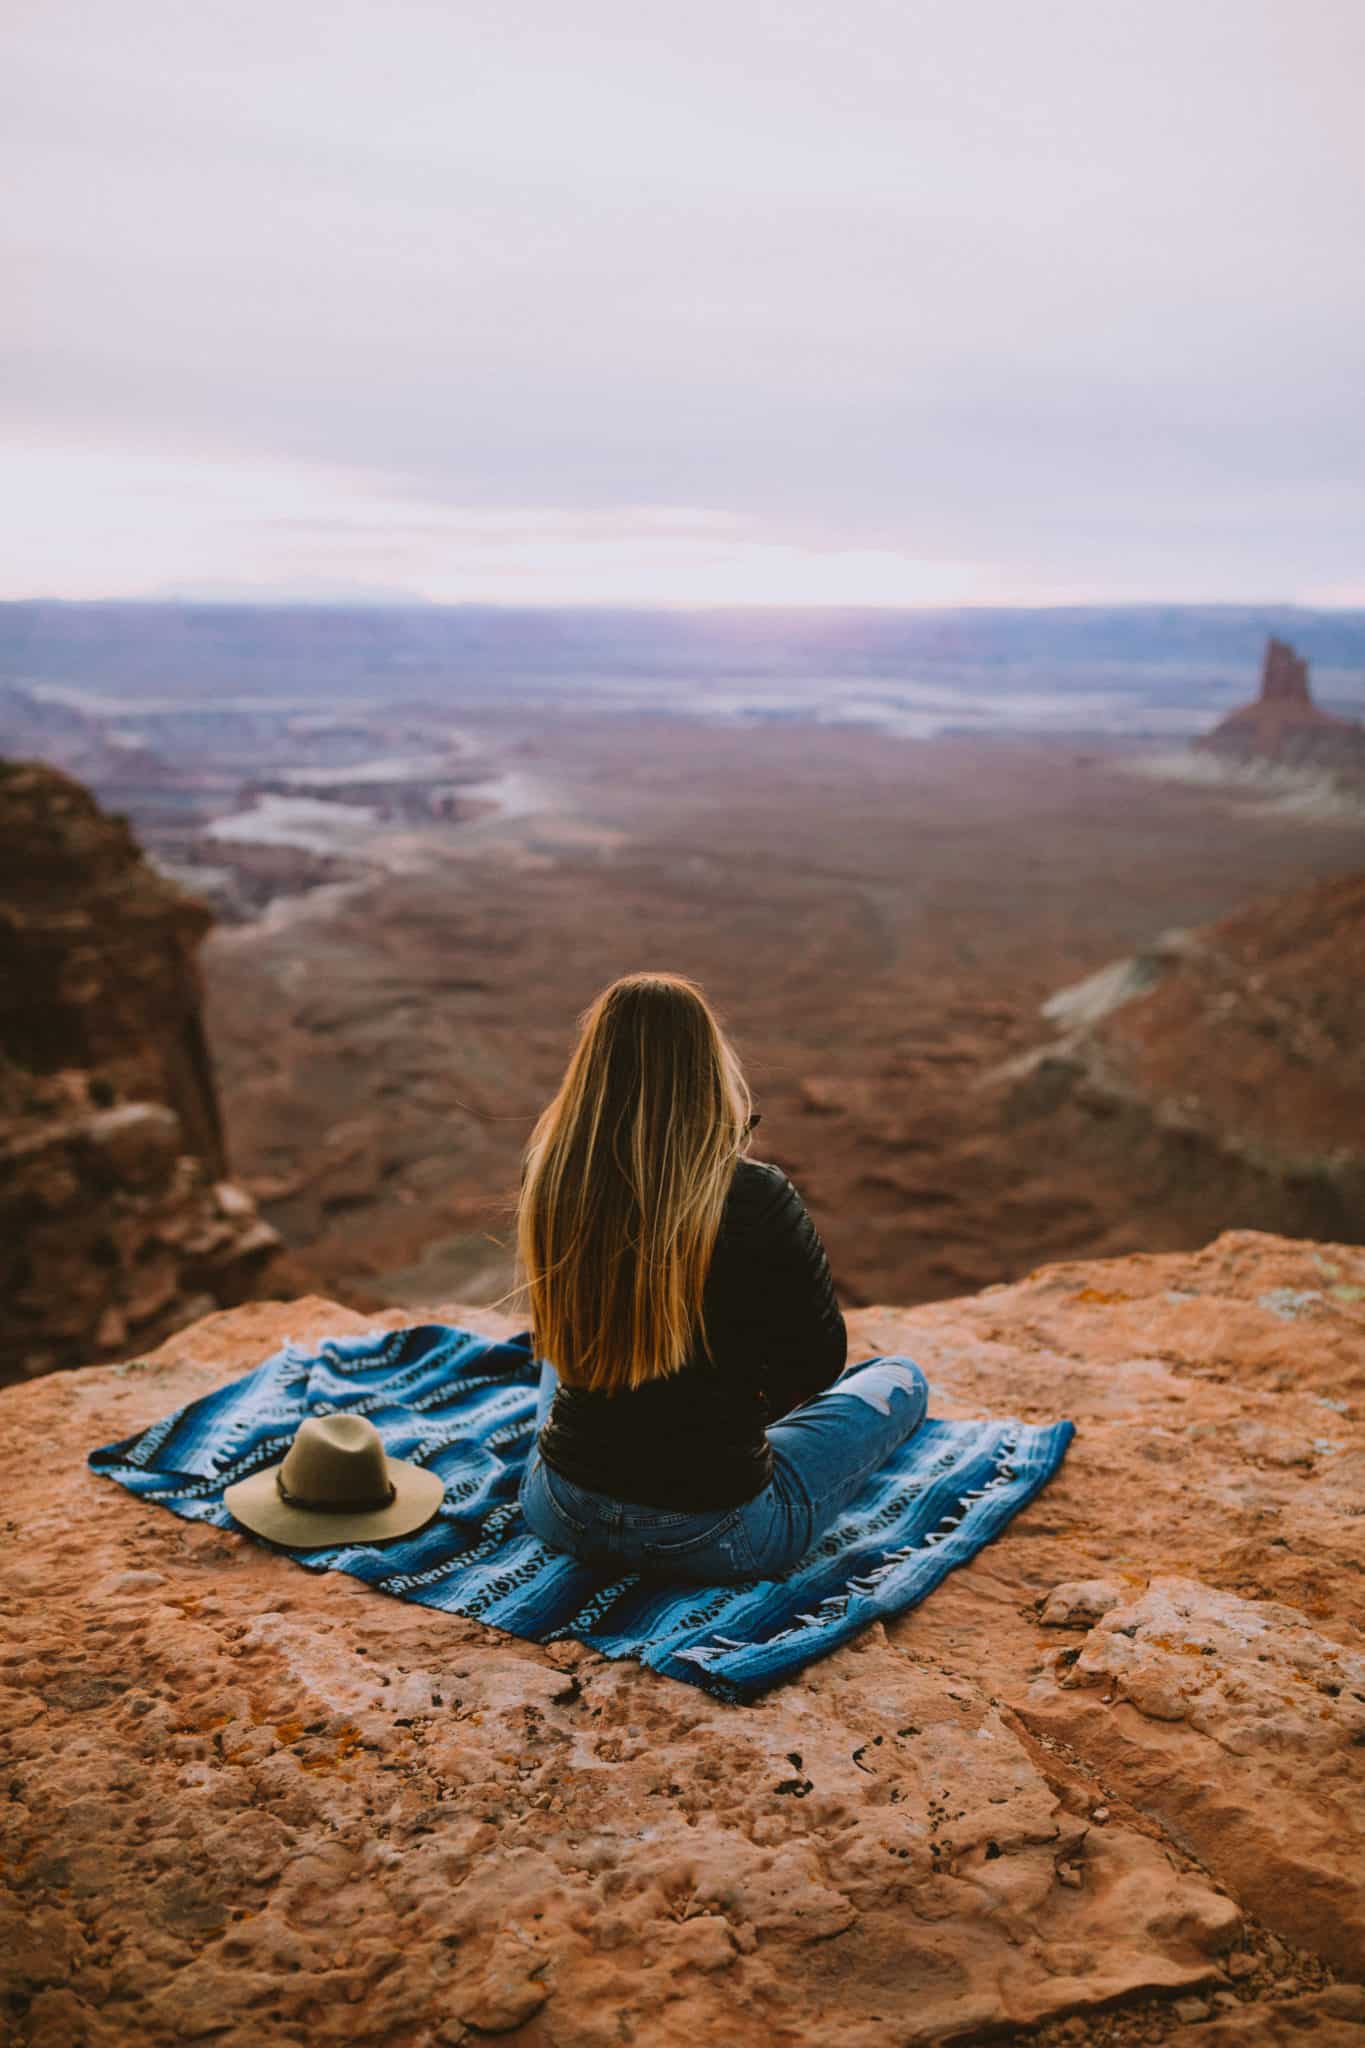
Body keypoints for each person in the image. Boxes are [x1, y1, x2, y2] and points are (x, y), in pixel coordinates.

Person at [515, 971, 928, 1583]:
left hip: (560, 1509)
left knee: (559, 1362)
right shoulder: (754, 1193)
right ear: (709, 1067)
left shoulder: (554, 1176)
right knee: (903, 1379)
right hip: (717, 1532)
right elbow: (815, 1368)